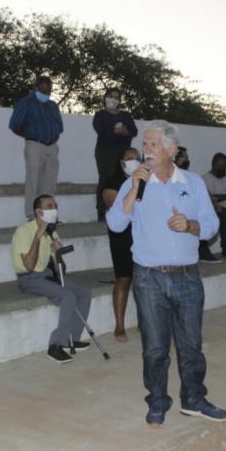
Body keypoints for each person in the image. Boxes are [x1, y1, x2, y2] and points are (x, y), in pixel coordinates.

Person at [106, 120, 226, 427]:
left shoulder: (192, 182)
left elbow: (212, 226)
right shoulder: (135, 181)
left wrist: (190, 225)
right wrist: (134, 188)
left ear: (172, 150)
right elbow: (115, 225)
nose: (146, 150)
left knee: (191, 345)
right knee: (155, 348)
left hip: (187, 276)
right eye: (145, 144)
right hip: (148, 279)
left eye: (153, 144)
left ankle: (194, 400)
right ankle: (158, 400)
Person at [11, 194, 92, 363]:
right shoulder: (23, 231)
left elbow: (60, 271)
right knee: (67, 296)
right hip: (29, 278)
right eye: (49, 206)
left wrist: (57, 254)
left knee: (84, 292)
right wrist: (38, 238)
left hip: (47, 275)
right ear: (38, 212)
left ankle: (72, 339)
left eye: (55, 205)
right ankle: (55, 345)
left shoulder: (52, 231)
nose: (54, 209)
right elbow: (29, 266)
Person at [9, 76, 64, 220]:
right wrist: (30, 135)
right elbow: (14, 125)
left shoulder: (53, 106)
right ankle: (31, 214)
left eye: (49, 91)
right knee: (33, 180)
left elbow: (59, 127)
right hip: (34, 145)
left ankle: (49, 214)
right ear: (36, 88)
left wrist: (53, 137)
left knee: (50, 182)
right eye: (43, 90)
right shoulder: (25, 103)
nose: (46, 93)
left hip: (52, 147)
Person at [102, 147, 141, 342]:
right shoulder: (112, 182)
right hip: (121, 236)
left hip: (141, 235)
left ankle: (145, 321)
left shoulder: (147, 179)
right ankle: (119, 325)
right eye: (130, 158)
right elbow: (114, 207)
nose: (134, 161)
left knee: (143, 279)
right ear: (121, 162)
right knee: (124, 279)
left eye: (137, 158)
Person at [93, 88, 138, 221]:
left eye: (116, 97)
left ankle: (124, 208)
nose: (113, 99)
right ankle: (102, 210)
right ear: (105, 97)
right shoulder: (100, 115)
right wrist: (116, 132)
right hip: (105, 151)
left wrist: (126, 132)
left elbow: (134, 131)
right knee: (105, 178)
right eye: (111, 96)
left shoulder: (125, 115)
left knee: (124, 179)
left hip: (123, 151)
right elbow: (101, 130)